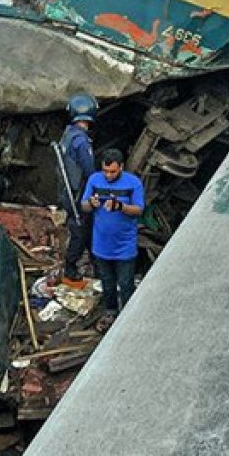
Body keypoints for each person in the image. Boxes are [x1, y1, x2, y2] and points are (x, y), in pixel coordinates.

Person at [79, 148, 145, 331]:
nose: (108, 175)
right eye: (106, 171)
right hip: (101, 245)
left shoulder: (133, 183)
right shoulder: (94, 180)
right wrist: (90, 204)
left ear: (121, 167)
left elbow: (139, 209)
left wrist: (121, 206)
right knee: (107, 283)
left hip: (125, 245)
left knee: (125, 283)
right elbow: (84, 205)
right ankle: (111, 312)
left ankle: (129, 317)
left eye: (113, 172)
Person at [57, 94, 97, 287]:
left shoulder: (68, 134)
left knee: (86, 230)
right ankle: (70, 269)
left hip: (69, 191)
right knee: (80, 232)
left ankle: (97, 265)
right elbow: (89, 171)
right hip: (79, 194)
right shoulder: (81, 141)